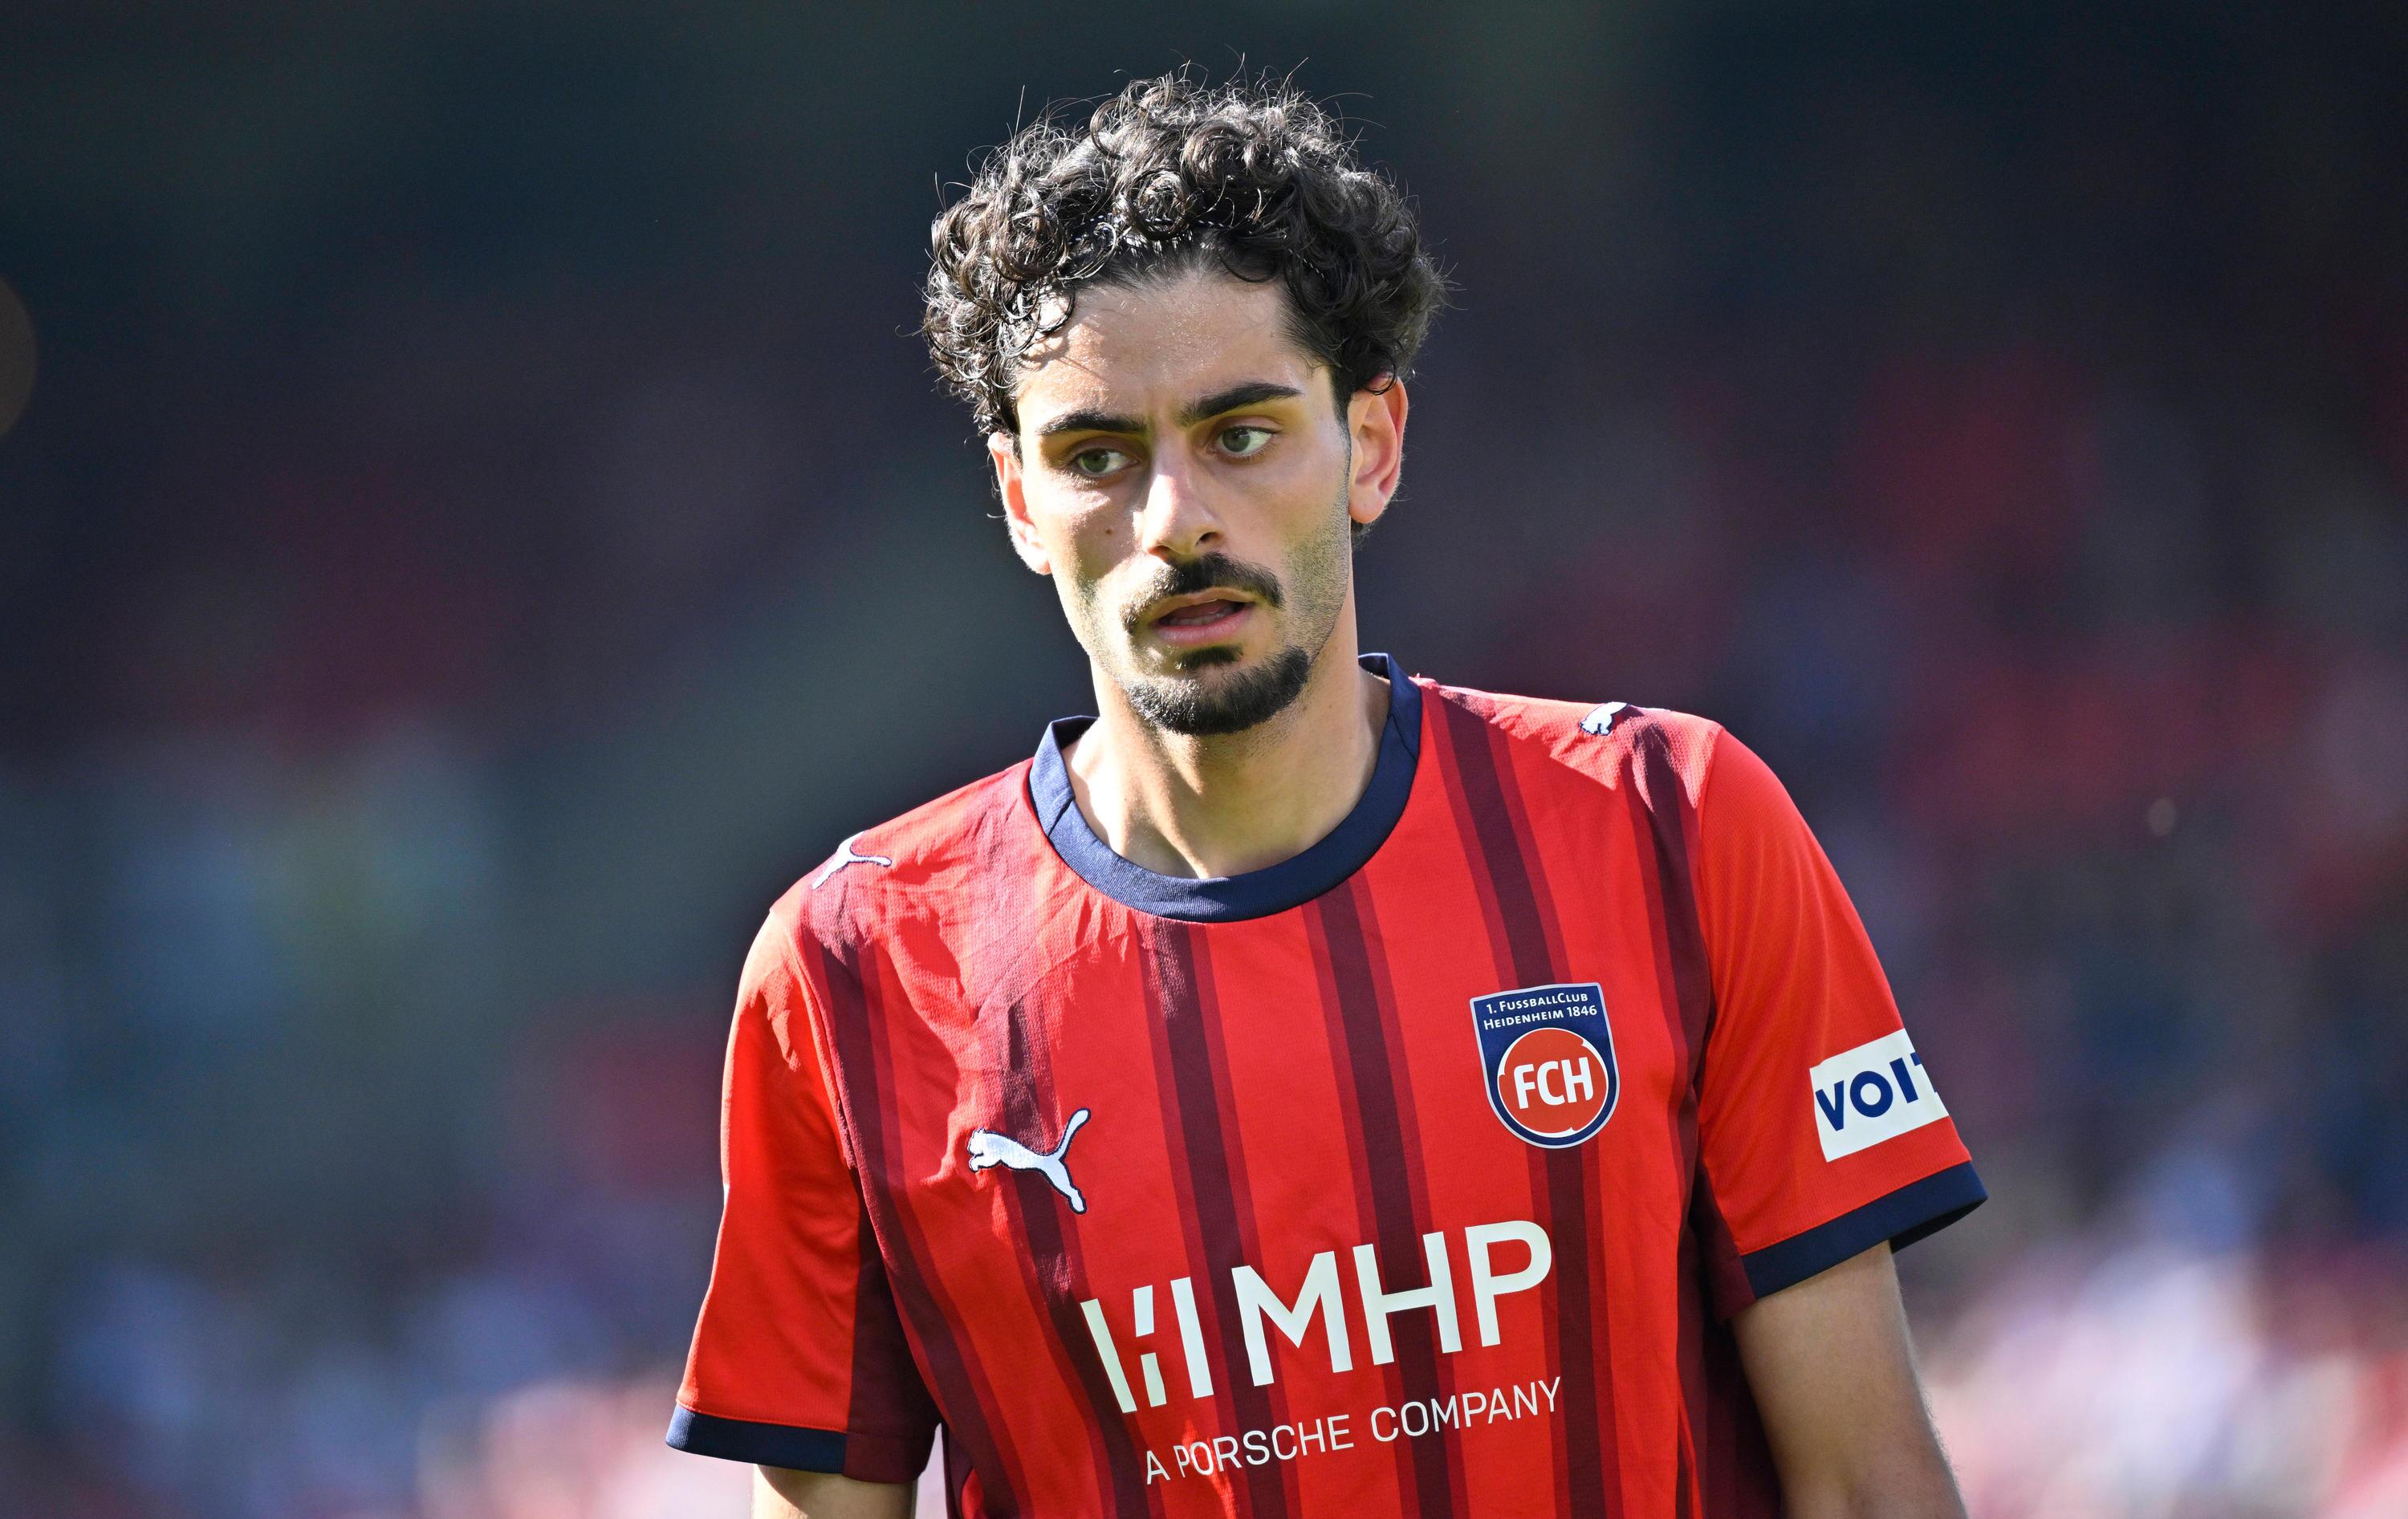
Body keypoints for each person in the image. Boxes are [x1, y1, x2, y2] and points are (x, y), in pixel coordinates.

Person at [667, 71, 1983, 1519]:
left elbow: (1868, 1485)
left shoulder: (1672, 824)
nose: (1175, 521)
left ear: (1374, 444)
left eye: (1241, 433)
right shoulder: (852, 972)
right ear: (1022, 501)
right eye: (1098, 456)